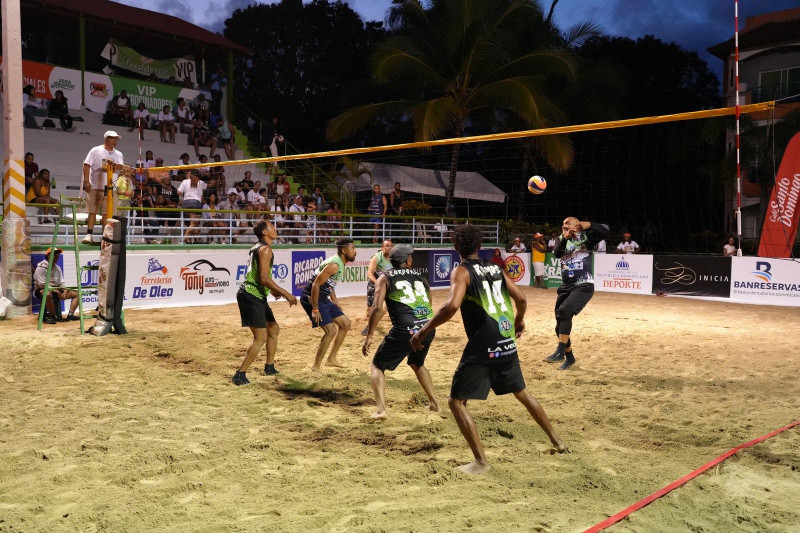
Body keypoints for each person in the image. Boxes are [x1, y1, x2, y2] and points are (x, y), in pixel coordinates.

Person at [411, 224, 566, 474]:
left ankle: (481, 463)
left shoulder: (461, 271)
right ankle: (558, 441)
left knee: (456, 401)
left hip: (483, 344)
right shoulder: (496, 268)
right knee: (522, 393)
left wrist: (422, 330)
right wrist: (519, 320)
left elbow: (451, 307)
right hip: (506, 340)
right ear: (480, 246)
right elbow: (522, 299)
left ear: (455, 247)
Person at [362, 244, 439, 419]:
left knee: (377, 365)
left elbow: (377, 308)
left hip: (406, 330)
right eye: (410, 256)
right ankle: (434, 403)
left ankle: (381, 410)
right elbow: (429, 304)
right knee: (417, 363)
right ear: (407, 259)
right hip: (427, 328)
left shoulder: (385, 277)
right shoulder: (421, 277)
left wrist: (370, 335)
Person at [233, 220, 298, 385]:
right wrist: (285, 293)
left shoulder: (258, 247)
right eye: (271, 227)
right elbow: (263, 278)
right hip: (250, 295)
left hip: (256, 294)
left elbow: (259, 277)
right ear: (264, 232)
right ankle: (239, 374)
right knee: (260, 337)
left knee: (273, 329)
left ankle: (269, 366)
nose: (275, 228)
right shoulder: (265, 249)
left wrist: (274, 291)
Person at [543, 218, 609, 370]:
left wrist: (588, 225)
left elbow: (605, 230)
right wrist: (565, 238)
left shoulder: (586, 237)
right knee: (558, 327)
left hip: (583, 284)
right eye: (563, 225)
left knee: (565, 310)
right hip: (566, 286)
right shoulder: (561, 239)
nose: (564, 226)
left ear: (576, 226)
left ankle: (559, 352)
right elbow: (558, 254)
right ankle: (570, 358)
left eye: (568, 224)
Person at [300, 238, 357, 372]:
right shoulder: (334, 265)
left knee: (346, 324)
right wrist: (315, 308)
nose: (355, 251)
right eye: (352, 249)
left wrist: (335, 300)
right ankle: (316, 367)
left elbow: (329, 284)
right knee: (331, 331)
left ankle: (331, 359)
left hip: (323, 297)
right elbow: (316, 284)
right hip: (311, 298)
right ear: (344, 251)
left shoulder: (340, 263)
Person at [82, 131, 131, 244]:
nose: (115, 141)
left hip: (110, 187)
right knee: (92, 211)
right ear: (106, 139)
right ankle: (89, 234)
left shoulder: (118, 154)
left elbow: (121, 167)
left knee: (107, 213)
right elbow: (87, 164)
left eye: (116, 139)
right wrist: (86, 181)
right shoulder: (96, 150)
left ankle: (105, 237)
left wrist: (113, 164)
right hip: (95, 185)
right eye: (113, 139)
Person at [34, 247, 80, 324]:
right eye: (55, 256)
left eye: (58, 256)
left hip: (57, 289)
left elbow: (62, 282)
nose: (57, 258)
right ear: (48, 255)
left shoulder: (57, 268)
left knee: (78, 293)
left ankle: (70, 314)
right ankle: (53, 316)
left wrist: (65, 290)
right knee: (47, 294)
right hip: (41, 289)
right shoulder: (41, 268)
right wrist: (56, 292)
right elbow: (43, 285)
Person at [361, 239, 392, 336]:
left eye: (391, 246)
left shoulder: (393, 258)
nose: (389, 248)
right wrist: (378, 283)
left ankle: (370, 326)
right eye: (387, 246)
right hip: (374, 285)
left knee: (382, 308)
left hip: (387, 286)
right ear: (382, 247)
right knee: (371, 308)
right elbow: (369, 274)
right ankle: (369, 318)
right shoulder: (376, 257)